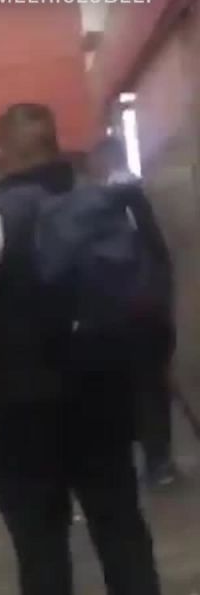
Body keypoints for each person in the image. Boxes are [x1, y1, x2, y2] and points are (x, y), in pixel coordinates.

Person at [0, 104, 164, 595]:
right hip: (104, 398)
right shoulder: (99, 197)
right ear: (55, 145)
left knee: (41, 552)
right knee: (122, 532)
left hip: (27, 410)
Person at [88, 137, 180, 487]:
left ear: (103, 161)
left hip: (123, 308)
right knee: (152, 384)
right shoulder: (150, 193)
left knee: (133, 386)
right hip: (153, 305)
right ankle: (160, 460)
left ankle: (143, 461)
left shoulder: (110, 201)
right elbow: (163, 253)